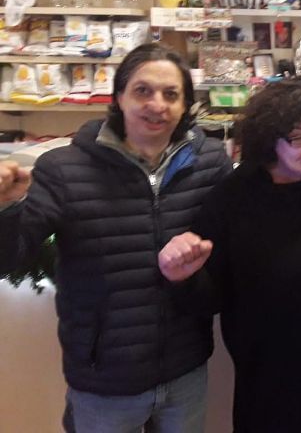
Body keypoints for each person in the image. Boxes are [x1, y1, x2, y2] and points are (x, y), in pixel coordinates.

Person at [0, 43, 233, 432]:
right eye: (143, 91)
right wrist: (8, 208)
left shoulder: (210, 163)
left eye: (171, 94)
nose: (157, 104)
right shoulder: (65, 168)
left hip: (185, 369)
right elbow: (10, 259)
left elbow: (226, 258)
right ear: (119, 97)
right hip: (104, 380)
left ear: (185, 106)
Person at [157, 76, 301, 432]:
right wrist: (182, 278)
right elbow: (211, 297)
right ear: (269, 142)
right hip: (272, 383)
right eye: (299, 138)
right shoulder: (235, 198)